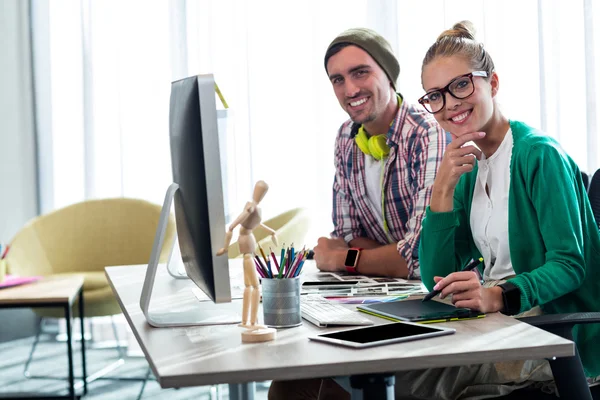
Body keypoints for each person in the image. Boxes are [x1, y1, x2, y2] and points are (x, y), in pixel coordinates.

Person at [269, 21, 600, 400]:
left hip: (550, 336)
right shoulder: (468, 162)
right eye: (435, 96)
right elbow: (435, 276)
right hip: (495, 324)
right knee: (302, 380)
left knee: (355, 384)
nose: (449, 105)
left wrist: (500, 295)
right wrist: (442, 190)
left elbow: (571, 265)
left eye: (461, 85)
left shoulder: (539, 155)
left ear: (492, 84)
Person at [313, 27, 447, 280]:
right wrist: (391, 258)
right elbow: (347, 234)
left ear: (388, 75)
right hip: (383, 288)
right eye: (338, 79)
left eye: (360, 73)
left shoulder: (429, 134)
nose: (350, 90)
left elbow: (420, 258)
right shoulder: (346, 137)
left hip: (440, 292)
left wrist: (339, 259)